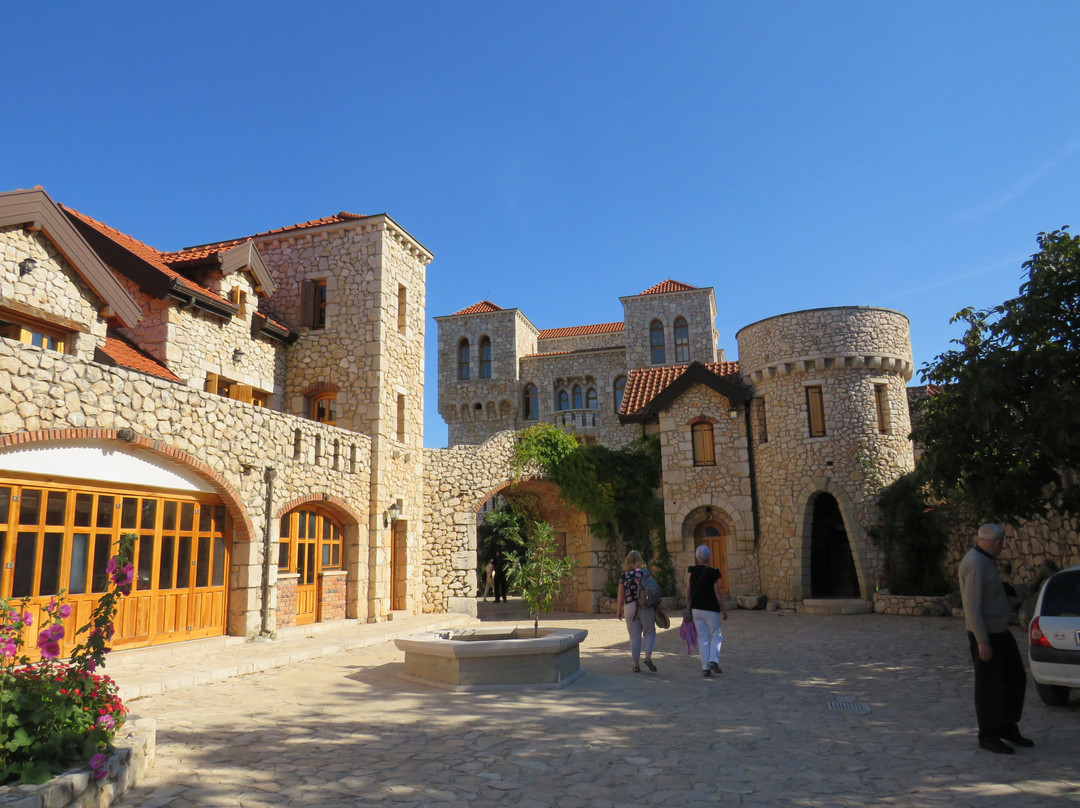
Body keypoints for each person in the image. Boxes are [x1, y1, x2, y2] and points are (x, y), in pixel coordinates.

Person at [958, 523, 1033, 754]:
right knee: (989, 685)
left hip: (1000, 632)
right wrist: (982, 641)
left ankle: (1007, 726)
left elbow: (990, 591)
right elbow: (972, 608)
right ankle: (989, 734)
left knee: (1014, 678)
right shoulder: (976, 564)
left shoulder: (984, 560)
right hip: (987, 634)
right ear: (998, 542)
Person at [684, 545, 726, 678]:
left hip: (696, 608)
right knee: (716, 635)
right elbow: (717, 592)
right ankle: (713, 660)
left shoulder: (691, 571)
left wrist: (688, 604)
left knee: (702, 637)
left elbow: (688, 590)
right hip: (711, 608)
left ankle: (705, 668)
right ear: (709, 557)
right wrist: (723, 610)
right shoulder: (713, 572)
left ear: (697, 557)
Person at [616, 550, 657, 673]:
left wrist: (619, 609)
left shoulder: (624, 575)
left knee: (634, 636)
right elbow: (653, 589)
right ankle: (648, 657)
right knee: (650, 632)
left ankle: (636, 665)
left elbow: (620, 594)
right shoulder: (645, 573)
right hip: (645, 605)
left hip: (630, 606)